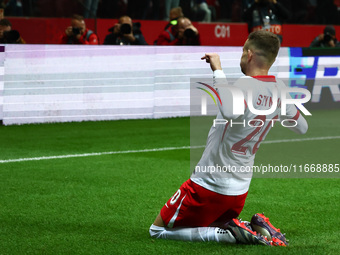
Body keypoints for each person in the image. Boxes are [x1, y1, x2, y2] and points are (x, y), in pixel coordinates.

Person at [149, 30, 308, 246]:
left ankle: (227, 235)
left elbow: (229, 111)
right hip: (239, 190)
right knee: (205, 223)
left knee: (157, 230)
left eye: (243, 51)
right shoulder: (279, 88)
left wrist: (218, 70)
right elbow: (302, 127)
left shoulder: (245, 84)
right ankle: (251, 227)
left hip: (209, 185)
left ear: (249, 54)